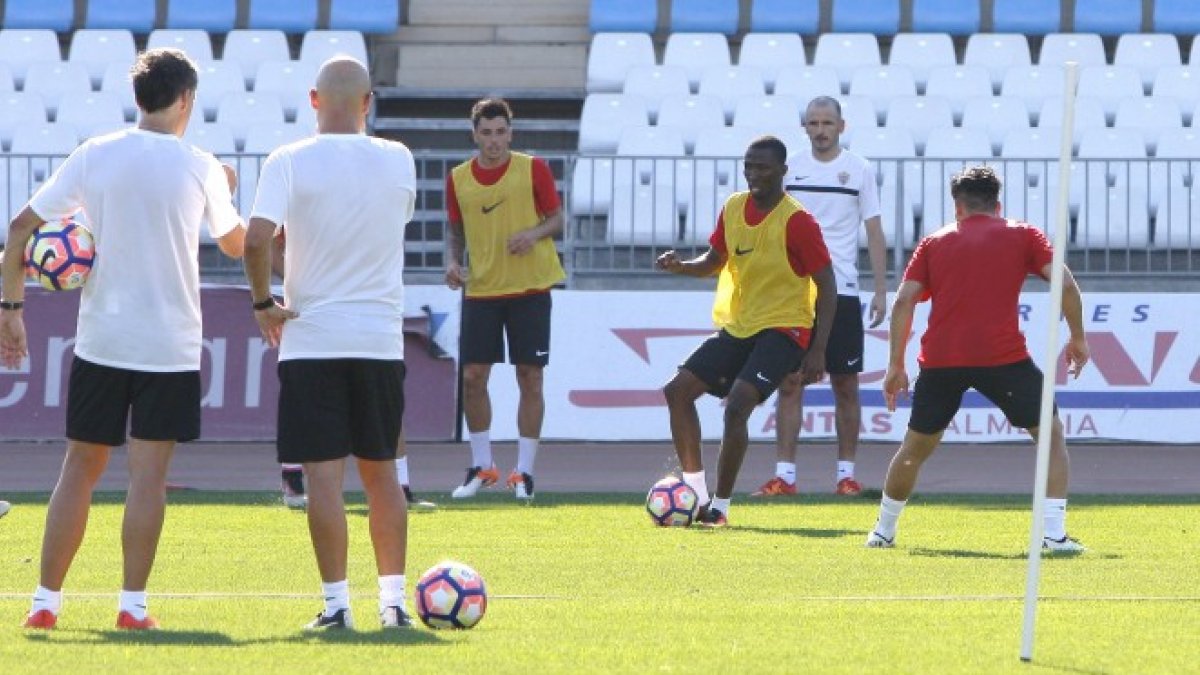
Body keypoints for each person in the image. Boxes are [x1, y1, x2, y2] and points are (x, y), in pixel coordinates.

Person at [0, 48, 245, 630]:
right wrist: (227, 188)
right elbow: (235, 244)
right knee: (147, 478)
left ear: (140, 98)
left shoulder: (96, 154)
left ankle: (44, 602)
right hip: (169, 343)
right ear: (185, 99)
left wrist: (12, 308)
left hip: (102, 339)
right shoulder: (201, 164)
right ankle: (132, 606)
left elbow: (18, 231)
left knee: (78, 469)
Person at [244, 56, 417, 630]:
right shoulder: (399, 159)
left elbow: (257, 240)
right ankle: (393, 605)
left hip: (312, 337)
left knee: (323, 479)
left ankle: (337, 605)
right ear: (368, 103)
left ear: (314, 100)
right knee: (383, 474)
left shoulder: (288, 160)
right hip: (377, 338)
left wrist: (265, 302)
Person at [866, 166, 1089, 551]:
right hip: (1003, 358)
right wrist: (1079, 338)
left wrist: (896, 365)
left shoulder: (934, 242)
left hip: (940, 360)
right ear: (997, 204)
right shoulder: (1023, 234)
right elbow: (1064, 283)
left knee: (915, 448)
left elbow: (903, 301)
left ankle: (883, 531)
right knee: (1050, 438)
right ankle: (1053, 534)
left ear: (958, 207)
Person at [657, 136, 837, 527]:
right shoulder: (734, 207)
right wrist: (681, 266)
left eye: (763, 167)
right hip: (740, 325)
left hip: (786, 328)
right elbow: (713, 261)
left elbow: (827, 283)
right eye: (749, 165)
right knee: (676, 391)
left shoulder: (797, 221)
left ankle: (720, 507)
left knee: (738, 404)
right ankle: (697, 494)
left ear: (783, 171)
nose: (754, 174)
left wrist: (819, 349)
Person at [753, 96, 888, 499]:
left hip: (843, 288)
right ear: (805, 128)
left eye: (828, 122)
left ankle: (846, 476)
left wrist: (880, 288)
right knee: (790, 382)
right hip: (794, 291)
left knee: (845, 383)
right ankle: (785, 477)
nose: (821, 129)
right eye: (814, 122)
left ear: (841, 127)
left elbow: (874, 231)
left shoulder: (859, 169)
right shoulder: (790, 168)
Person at [444, 98, 565, 501]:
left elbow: (558, 219)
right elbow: (455, 230)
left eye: (500, 132)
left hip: (530, 288)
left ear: (510, 133)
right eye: (486, 132)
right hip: (481, 290)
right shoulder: (458, 178)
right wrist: (451, 262)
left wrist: (534, 233)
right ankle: (482, 466)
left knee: (530, 377)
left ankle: (524, 472)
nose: (494, 140)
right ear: (475, 134)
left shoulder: (533, 168)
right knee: (474, 378)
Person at [270, 231, 434, 512]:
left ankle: (402, 487)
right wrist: (297, 282)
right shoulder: (305, 191)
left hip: (369, 317)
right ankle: (293, 477)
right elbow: (266, 241)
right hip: (318, 319)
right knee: (311, 410)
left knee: (385, 411)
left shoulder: (377, 196)